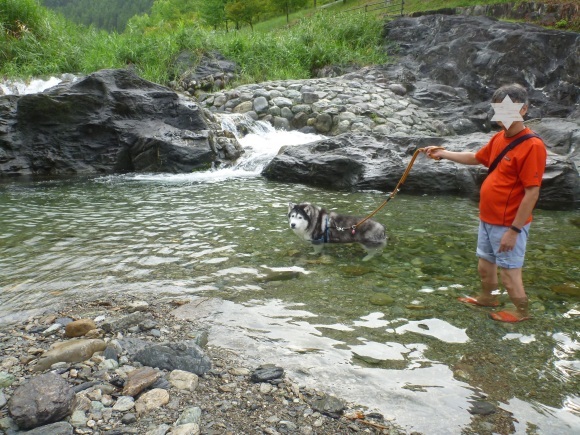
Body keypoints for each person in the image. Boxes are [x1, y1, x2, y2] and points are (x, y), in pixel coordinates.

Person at [423, 84, 547, 323]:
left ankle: (521, 312)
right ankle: (487, 298)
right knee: (485, 266)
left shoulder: (533, 146)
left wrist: (514, 231)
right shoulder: (500, 137)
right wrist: (444, 153)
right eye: (499, 110)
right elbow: (476, 158)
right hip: (488, 218)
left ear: (523, 110)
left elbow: (532, 193)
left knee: (510, 274)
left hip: (508, 223)